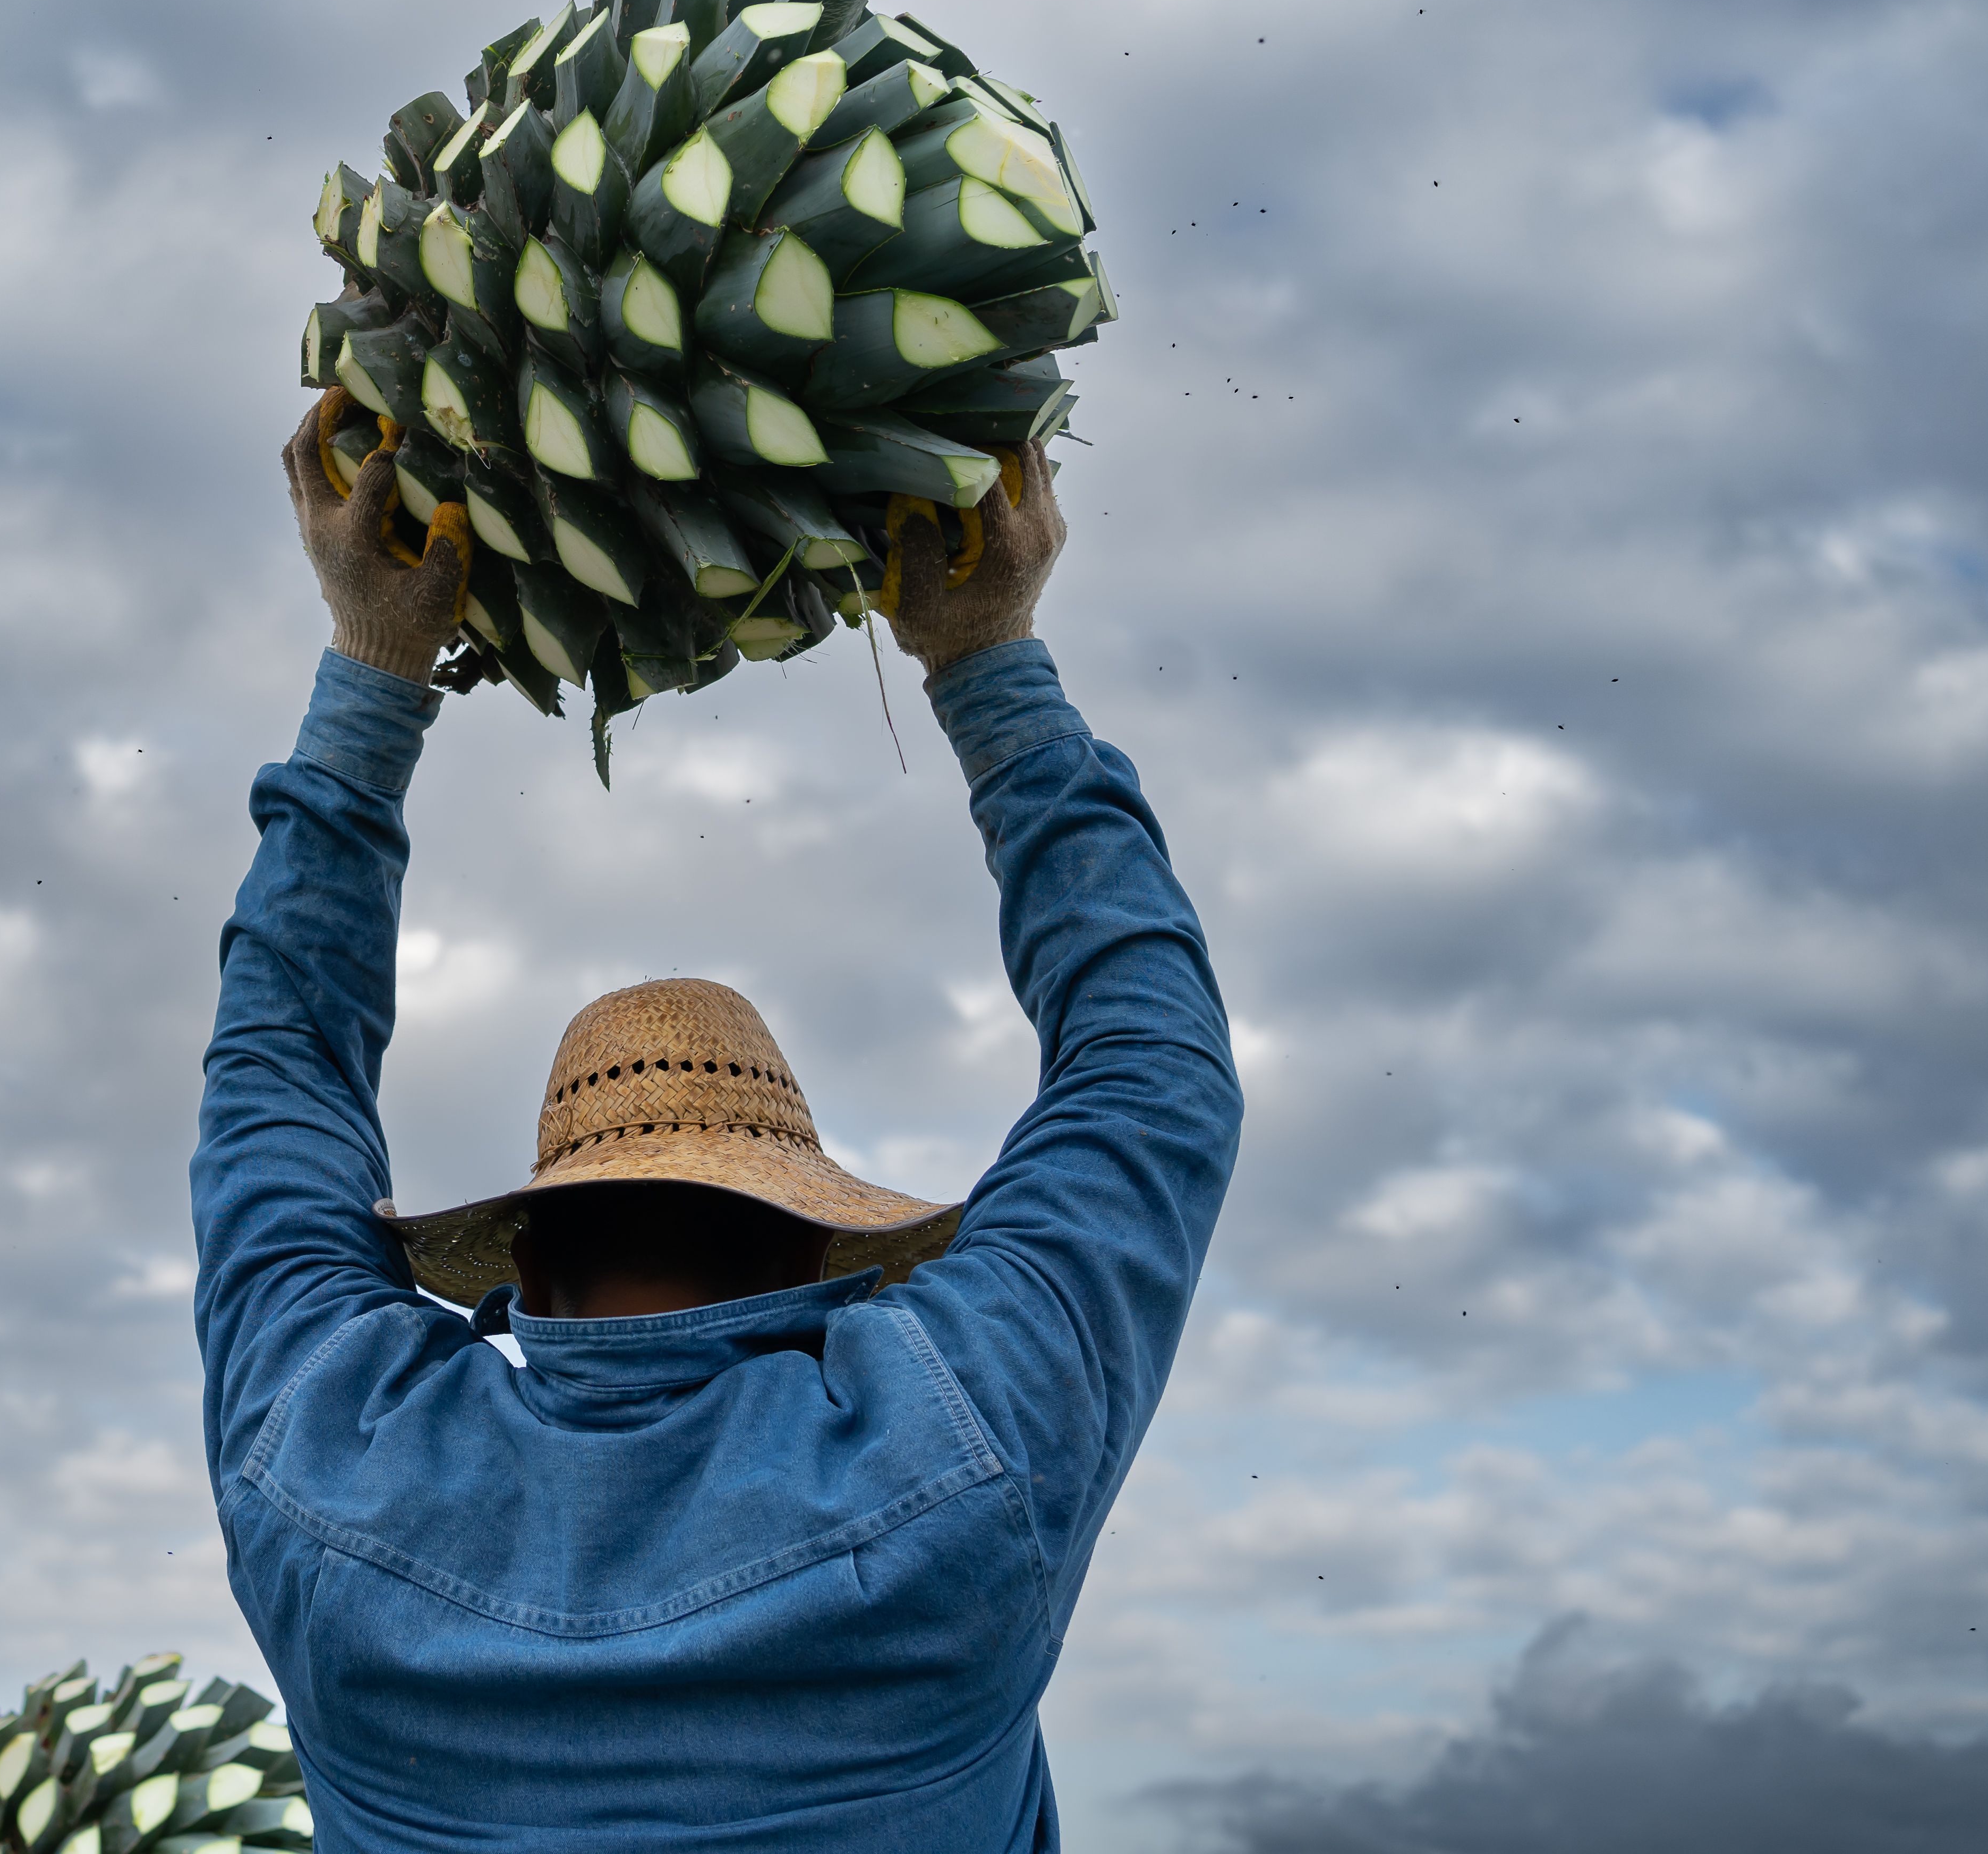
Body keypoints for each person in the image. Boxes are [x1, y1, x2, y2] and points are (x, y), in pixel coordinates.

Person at [194, 402, 1243, 1852]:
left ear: (520, 1271)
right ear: (821, 1262)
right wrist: (986, 659)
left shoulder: (333, 1468)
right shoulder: (960, 1446)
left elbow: (275, 1084)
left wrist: (373, 668)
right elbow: (1151, 1078)